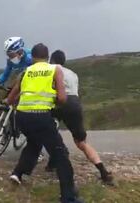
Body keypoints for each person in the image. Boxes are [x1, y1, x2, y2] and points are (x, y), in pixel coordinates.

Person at [7, 43, 82, 203]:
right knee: (60, 155)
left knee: (34, 143)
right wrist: (52, 99)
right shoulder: (55, 70)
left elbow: (10, 99)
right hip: (41, 116)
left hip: (22, 117)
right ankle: (68, 198)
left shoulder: (25, 71)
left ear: (32, 57)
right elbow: (62, 98)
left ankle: (18, 173)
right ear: (47, 57)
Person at [46, 50, 114, 184]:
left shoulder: (52, 69)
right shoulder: (73, 74)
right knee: (81, 142)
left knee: (48, 131)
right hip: (75, 103)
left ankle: (54, 160)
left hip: (59, 102)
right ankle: (103, 171)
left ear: (52, 60)